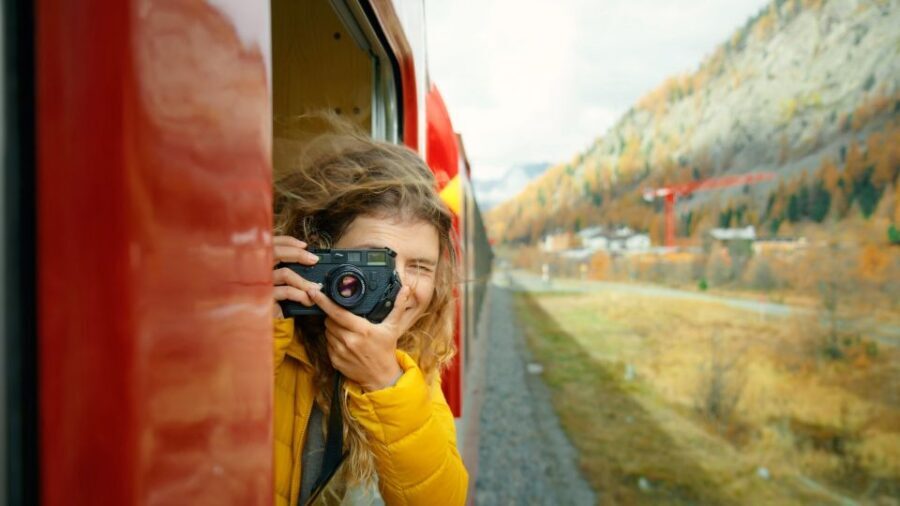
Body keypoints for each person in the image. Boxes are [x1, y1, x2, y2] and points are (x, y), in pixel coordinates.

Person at [271, 121, 468, 506]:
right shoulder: (269, 332)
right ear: (317, 257)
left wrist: (385, 382)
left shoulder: (412, 366)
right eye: (375, 264)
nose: (398, 290)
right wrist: (243, 325)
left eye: (420, 267)